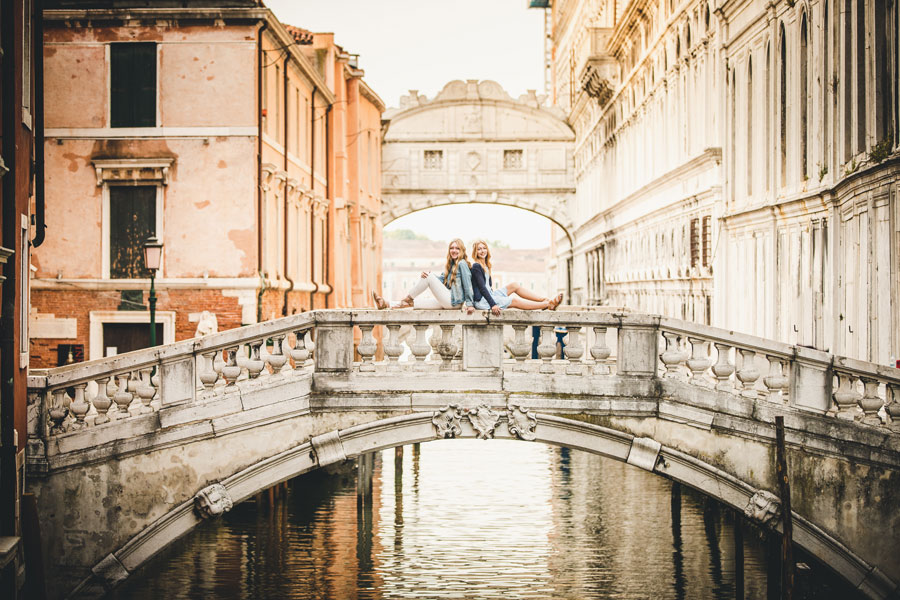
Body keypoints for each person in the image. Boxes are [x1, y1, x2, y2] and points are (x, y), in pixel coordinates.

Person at [373, 238, 475, 314]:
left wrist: (470, 304)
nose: (454, 250)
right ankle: (386, 304)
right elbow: (441, 280)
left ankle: (408, 298)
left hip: (454, 302)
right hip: (450, 302)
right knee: (418, 303)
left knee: (429, 277)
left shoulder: (462, 263)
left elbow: (468, 285)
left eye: (457, 248)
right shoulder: (451, 265)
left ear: (462, 250)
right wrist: (428, 276)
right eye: (451, 248)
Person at [470, 240, 562, 315]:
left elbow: (489, 287)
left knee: (514, 285)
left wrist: (496, 297)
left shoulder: (486, 265)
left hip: (490, 295)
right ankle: (548, 304)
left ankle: (544, 300)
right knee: (513, 300)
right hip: (482, 301)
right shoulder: (476, 266)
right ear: (475, 252)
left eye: (484, 248)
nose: (482, 251)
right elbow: (482, 288)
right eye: (479, 249)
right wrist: (493, 304)